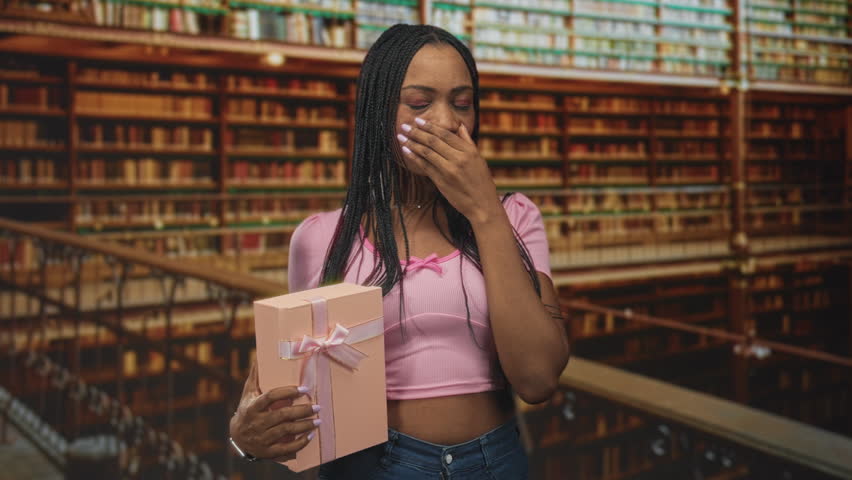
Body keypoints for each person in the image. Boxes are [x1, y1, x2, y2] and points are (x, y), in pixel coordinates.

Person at [229, 24, 570, 479]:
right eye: (419, 103)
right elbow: (292, 394)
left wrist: (485, 212)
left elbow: (539, 378)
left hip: (496, 462)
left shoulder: (515, 217)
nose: (447, 121)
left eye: (462, 103)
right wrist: (245, 437)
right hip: (373, 466)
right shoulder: (321, 238)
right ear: (378, 113)